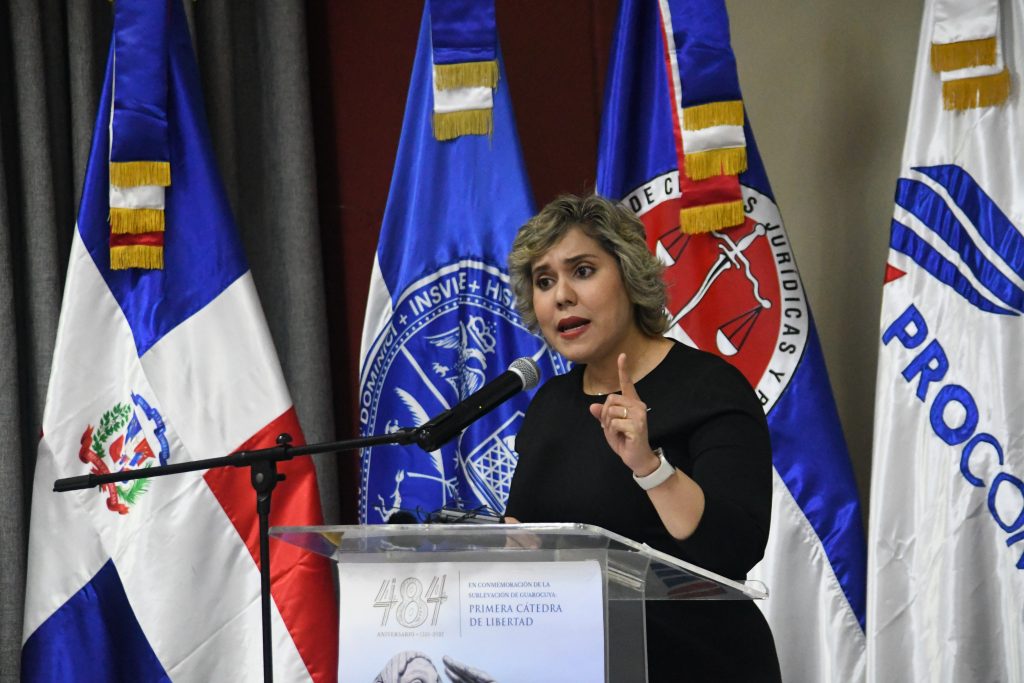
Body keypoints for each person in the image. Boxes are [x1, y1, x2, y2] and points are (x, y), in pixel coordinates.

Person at [503, 194, 782, 682]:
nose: (561, 295)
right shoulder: (551, 404)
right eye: (544, 281)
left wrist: (650, 468)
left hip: (700, 664)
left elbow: (735, 549)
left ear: (630, 276)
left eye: (582, 271)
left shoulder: (709, 387)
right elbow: (532, 540)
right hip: (578, 665)